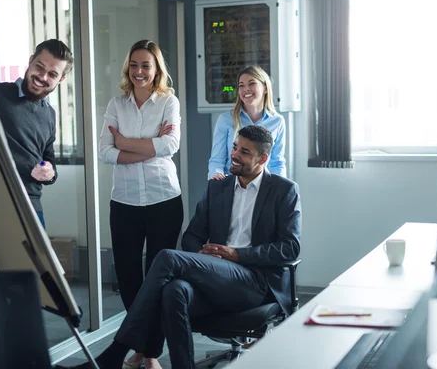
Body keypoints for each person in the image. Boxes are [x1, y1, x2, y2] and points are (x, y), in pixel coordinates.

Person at [94, 125, 301, 369]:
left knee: (168, 258)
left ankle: (117, 351)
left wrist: (236, 255)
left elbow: (290, 248)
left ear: (263, 158)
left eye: (244, 152)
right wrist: (202, 254)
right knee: (174, 290)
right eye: (234, 147)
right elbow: (192, 236)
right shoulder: (218, 187)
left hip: (255, 281)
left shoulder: (283, 190)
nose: (234, 154)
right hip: (216, 276)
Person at [98, 40, 183, 369]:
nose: (139, 71)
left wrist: (125, 143)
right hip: (125, 202)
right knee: (129, 278)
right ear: (127, 68)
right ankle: (144, 347)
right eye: (134, 65)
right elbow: (105, 152)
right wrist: (149, 145)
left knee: (158, 279)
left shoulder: (167, 102)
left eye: (146, 65)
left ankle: (149, 354)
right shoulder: (116, 104)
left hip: (164, 199)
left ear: (157, 69)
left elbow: (170, 145)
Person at [0, 39, 73, 228]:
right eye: (39, 67)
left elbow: (49, 161)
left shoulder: (49, 114)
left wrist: (49, 173)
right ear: (31, 60)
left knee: (37, 258)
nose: (42, 76)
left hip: (31, 207)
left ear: (61, 79)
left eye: (52, 74)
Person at [208, 65, 286, 180]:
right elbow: (217, 160)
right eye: (241, 85)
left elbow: (277, 163)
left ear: (265, 88)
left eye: (252, 83)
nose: (246, 89)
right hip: (231, 184)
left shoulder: (277, 122)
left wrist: (279, 189)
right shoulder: (225, 120)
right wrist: (215, 180)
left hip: (261, 187)